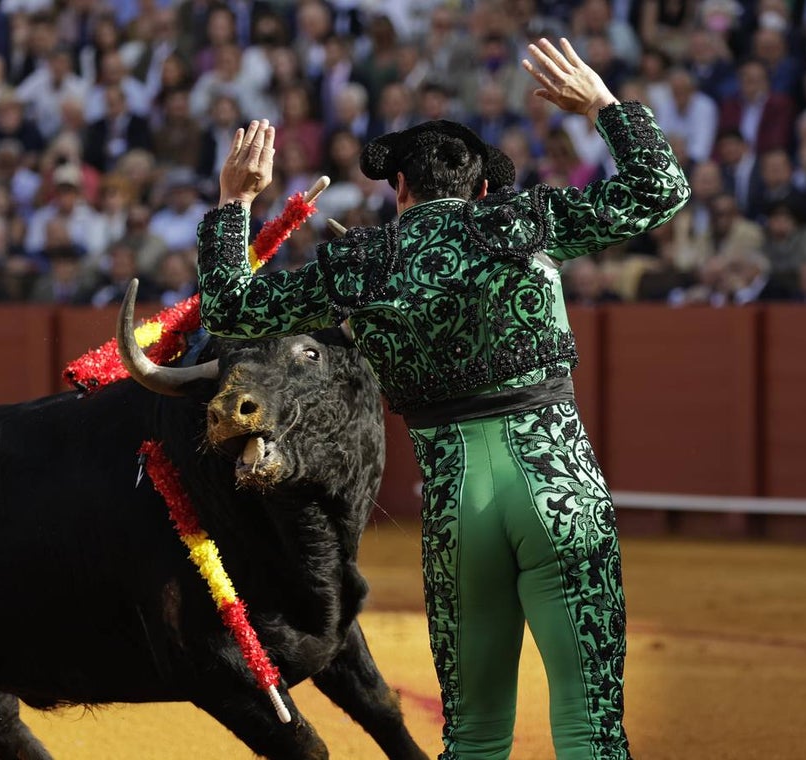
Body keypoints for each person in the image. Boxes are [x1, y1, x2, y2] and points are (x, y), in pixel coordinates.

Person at [195, 37, 690, 760]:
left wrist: (235, 202)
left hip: (459, 506)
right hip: (560, 489)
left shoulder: (362, 265)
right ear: (483, 190)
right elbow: (661, 189)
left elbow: (229, 308)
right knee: (592, 731)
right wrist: (603, 106)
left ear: (399, 189)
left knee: (475, 737)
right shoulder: (522, 224)